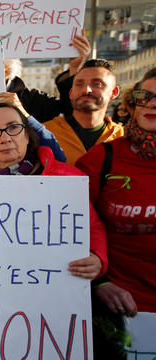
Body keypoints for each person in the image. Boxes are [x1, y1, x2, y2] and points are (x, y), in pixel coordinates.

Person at [0, 101, 108, 283]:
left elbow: (92, 227)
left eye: (13, 128)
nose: (5, 138)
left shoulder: (66, 178)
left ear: (27, 135)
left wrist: (97, 258)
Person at [75, 68, 156, 359]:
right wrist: (99, 282)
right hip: (120, 311)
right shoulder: (102, 159)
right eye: (145, 96)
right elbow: (72, 228)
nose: (152, 104)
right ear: (132, 103)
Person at [43, 59, 125, 165]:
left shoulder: (124, 138)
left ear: (114, 92)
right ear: (71, 93)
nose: (86, 90)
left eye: (97, 84)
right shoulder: (46, 134)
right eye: (79, 84)